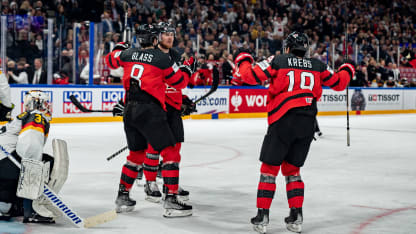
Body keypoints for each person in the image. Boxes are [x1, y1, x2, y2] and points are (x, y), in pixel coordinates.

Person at [234, 31, 355, 233]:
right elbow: (340, 82)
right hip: (308, 123)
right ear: (305, 49)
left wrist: (243, 59)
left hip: (283, 119)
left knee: (269, 169)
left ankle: (262, 216)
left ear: (288, 48)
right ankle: (296, 216)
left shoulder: (279, 59)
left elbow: (250, 76)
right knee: (293, 171)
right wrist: (347, 68)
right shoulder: (318, 65)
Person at [105, 24, 194, 217]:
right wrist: (187, 69)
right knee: (170, 152)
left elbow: (110, 61)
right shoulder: (161, 58)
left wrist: (120, 45)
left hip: (129, 110)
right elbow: (179, 82)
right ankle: (171, 199)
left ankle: (122, 198)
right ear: (155, 40)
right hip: (150, 111)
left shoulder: (127, 54)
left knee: (135, 155)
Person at [139, 22, 196, 203]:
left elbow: (177, 83)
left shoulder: (176, 56)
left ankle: (170, 183)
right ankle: (150, 182)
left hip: (173, 108)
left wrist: (184, 101)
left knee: (175, 148)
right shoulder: (150, 56)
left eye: (172, 33)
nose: (170, 37)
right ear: (157, 37)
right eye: (165, 34)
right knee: (153, 147)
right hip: (157, 107)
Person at [0, 90, 63, 223]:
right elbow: (30, 146)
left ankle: (8, 205)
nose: (47, 106)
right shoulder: (36, 116)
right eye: (45, 103)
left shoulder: (24, 116)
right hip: (5, 163)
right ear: (37, 103)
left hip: (4, 163)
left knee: (4, 204)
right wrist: (34, 171)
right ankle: (33, 209)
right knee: (45, 162)